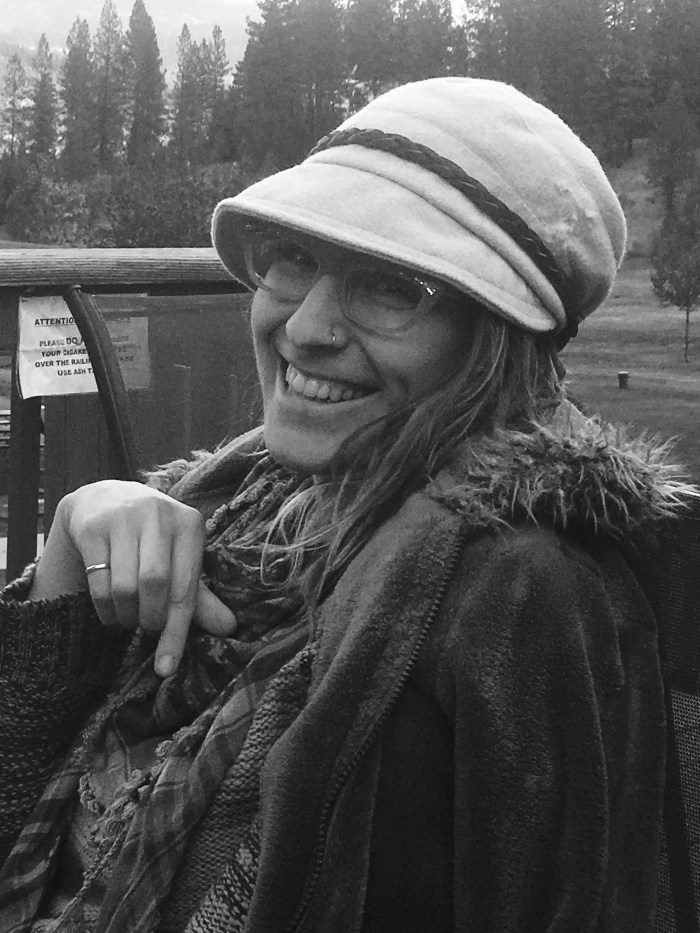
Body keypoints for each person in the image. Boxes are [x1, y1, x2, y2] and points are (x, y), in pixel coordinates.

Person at [0, 77, 695, 933]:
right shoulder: (239, 500)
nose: (305, 328)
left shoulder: (518, 593)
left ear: (495, 341)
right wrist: (69, 549)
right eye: (293, 259)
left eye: (392, 287)